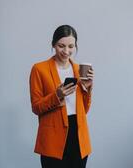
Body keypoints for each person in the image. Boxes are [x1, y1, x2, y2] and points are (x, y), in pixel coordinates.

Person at [29, 25, 94, 168]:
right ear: (53, 44)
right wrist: (56, 96)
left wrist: (87, 89)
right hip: (53, 138)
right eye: (61, 46)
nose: (66, 51)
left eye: (71, 46)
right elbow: (36, 107)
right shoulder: (39, 69)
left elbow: (85, 110)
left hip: (78, 137)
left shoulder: (78, 69)